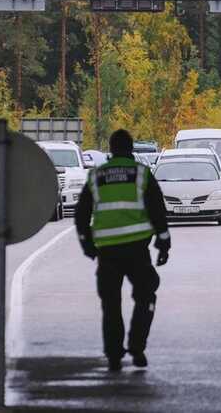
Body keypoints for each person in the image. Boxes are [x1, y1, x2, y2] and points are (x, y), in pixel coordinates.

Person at [75, 129, 170, 372]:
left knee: (110, 304)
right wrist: (163, 243)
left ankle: (114, 355)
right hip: (137, 250)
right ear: (131, 149)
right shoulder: (141, 174)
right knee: (146, 297)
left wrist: (86, 243)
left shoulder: (96, 176)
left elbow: (81, 213)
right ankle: (137, 346)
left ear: (111, 149)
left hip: (107, 252)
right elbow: (158, 210)